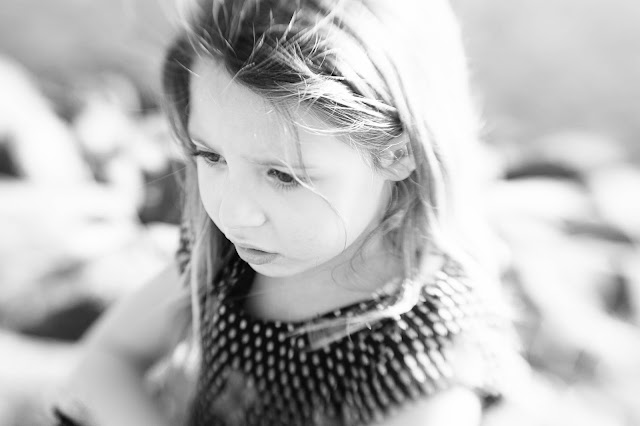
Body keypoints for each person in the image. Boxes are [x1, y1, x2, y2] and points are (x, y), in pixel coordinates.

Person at [53, 0, 518, 424]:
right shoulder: (227, 253)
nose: (233, 213)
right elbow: (107, 359)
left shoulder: (425, 355)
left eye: (283, 175)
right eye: (211, 156)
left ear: (399, 153)